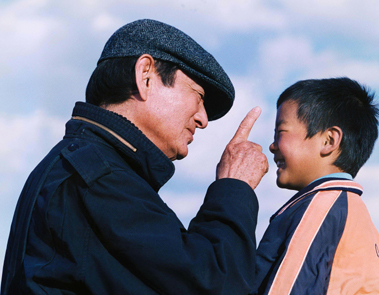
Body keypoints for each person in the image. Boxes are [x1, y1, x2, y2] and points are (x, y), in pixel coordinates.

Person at [1, 19, 268, 295]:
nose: (202, 119)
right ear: (146, 75)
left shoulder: (84, 165)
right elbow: (215, 284)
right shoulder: (100, 178)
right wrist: (235, 187)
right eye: (198, 96)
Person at [251, 78, 379, 295]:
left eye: (280, 133)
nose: (272, 146)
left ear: (329, 141)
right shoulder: (350, 209)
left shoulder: (322, 207)